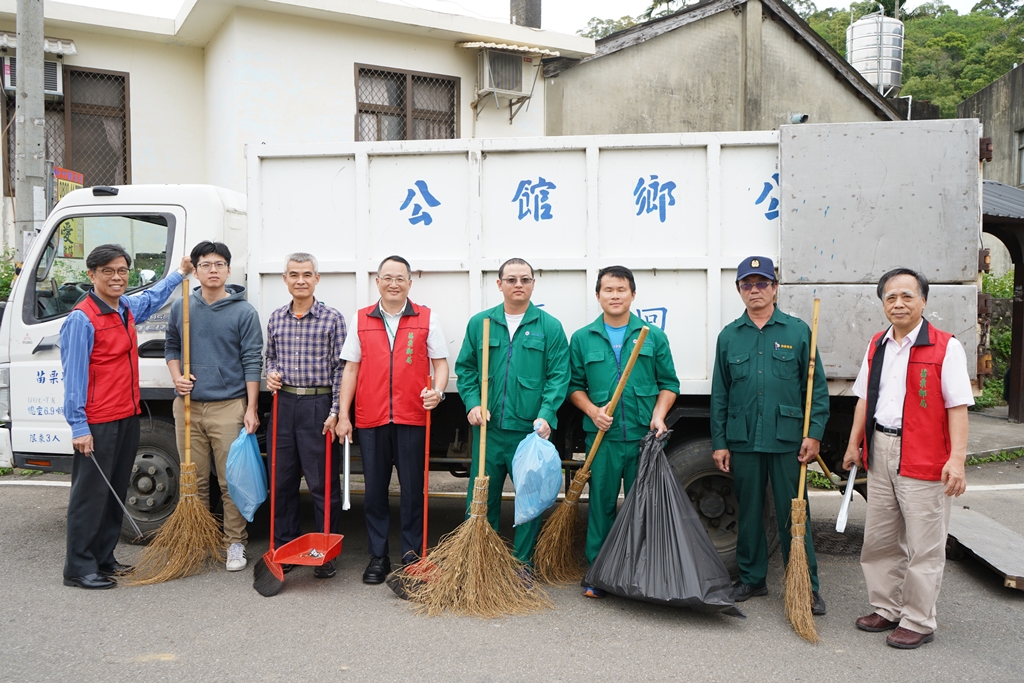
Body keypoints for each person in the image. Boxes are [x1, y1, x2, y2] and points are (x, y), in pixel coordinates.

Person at [842, 268, 972, 649]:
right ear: (883, 304)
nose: (898, 304)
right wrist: (854, 444)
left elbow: (958, 406)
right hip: (880, 448)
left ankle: (918, 619)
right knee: (880, 537)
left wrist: (957, 460)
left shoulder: (946, 347)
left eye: (906, 296)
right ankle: (886, 607)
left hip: (926, 453)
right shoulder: (877, 345)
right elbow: (865, 399)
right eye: (890, 298)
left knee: (924, 542)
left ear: (923, 301)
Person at [61, 245, 193, 589]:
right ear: (92, 275)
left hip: (127, 415)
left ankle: (104, 559)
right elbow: (73, 376)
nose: (117, 277)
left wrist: (180, 274)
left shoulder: (125, 309)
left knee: (115, 491)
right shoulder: (82, 318)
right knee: (90, 495)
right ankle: (78, 567)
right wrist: (78, 426)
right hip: (97, 421)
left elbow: (152, 297)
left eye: (122, 271)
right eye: (108, 271)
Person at [710, 255, 829, 615]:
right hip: (744, 439)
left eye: (762, 283)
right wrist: (720, 442)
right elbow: (721, 393)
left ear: (775, 288)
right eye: (748, 284)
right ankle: (752, 578)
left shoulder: (796, 331)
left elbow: (816, 390)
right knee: (748, 512)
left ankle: (806, 586)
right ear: (739, 291)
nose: (755, 290)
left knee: (795, 513)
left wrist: (814, 433)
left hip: (788, 440)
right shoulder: (729, 336)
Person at [336, 255, 449, 584]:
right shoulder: (361, 320)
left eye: (400, 278)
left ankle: (413, 557)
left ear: (409, 283)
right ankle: (377, 557)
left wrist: (438, 393)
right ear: (378, 282)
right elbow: (351, 370)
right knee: (374, 492)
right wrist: (344, 415)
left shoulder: (427, 318)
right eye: (387, 277)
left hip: (412, 417)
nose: (394, 283)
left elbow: (440, 364)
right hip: (371, 419)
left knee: (413, 491)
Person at [568, 266, 679, 598]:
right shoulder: (583, 337)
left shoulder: (651, 336)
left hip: (643, 440)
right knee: (600, 505)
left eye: (621, 290)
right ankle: (598, 573)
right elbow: (574, 387)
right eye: (608, 290)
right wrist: (592, 411)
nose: (614, 296)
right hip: (602, 440)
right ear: (598, 295)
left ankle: (637, 573)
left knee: (640, 506)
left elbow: (669, 384)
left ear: (633, 294)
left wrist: (659, 416)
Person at [455, 257, 570, 569]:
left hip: (528, 433)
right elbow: (465, 369)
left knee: (529, 504)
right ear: (499, 284)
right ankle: (481, 564)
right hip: (488, 432)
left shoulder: (549, 327)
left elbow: (559, 375)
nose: (518, 285)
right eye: (511, 279)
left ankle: (523, 566)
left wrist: (547, 414)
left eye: (525, 279)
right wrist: (472, 403)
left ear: (533, 284)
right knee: (480, 501)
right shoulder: (481, 323)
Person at [165, 241, 263, 572]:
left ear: (228, 270)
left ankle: (234, 542)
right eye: (205, 264)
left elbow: (252, 360)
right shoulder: (182, 307)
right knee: (192, 478)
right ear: (195, 269)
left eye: (219, 264)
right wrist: (177, 378)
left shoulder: (243, 311)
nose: (212, 270)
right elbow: (171, 346)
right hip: (188, 406)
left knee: (229, 479)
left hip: (229, 406)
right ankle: (196, 539)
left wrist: (251, 408)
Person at [265, 253, 347, 579]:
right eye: (294, 274)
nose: (300, 280)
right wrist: (271, 373)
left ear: (317, 279)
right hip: (283, 406)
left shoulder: (332, 319)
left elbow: (341, 370)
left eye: (307, 274)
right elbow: (269, 359)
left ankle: (325, 551)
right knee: (281, 482)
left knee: (322, 484)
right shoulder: (275, 318)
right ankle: (285, 549)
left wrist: (336, 411)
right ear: (285, 279)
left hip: (318, 406)